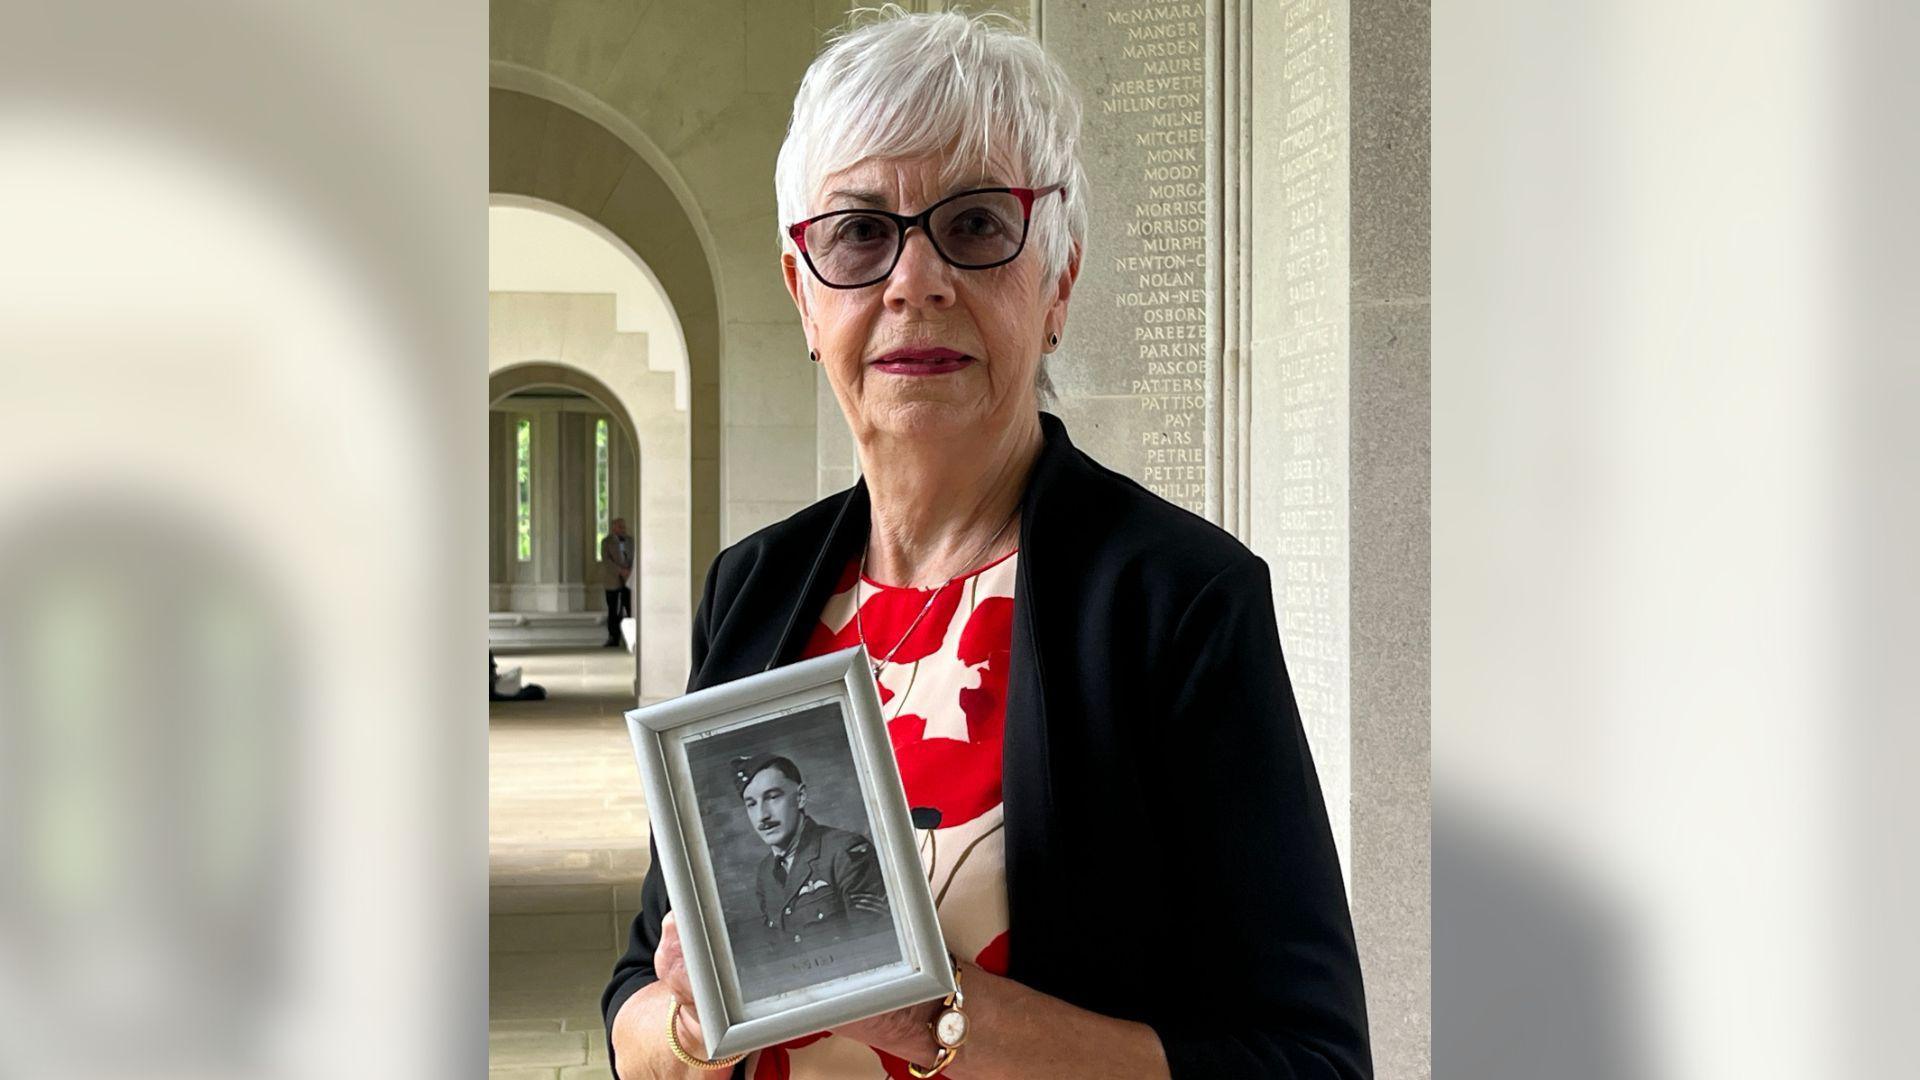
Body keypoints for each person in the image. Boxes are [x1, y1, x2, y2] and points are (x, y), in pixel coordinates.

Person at [604, 9, 1370, 1079]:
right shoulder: (757, 586)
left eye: (973, 226)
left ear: (1055, 284)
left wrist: (942, 1026)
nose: (914, 281)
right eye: (860, 234)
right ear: (803, 293)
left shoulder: (1176, 602)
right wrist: (693, 1026)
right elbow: (641, 979)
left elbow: (1311, 1059)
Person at [733, 754, 889, 951]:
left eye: (772, 797)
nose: (762, 816)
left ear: (800, 797)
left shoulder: (846, 852)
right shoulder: (765, 873)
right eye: (751, 804)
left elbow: (877, 943)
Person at [601, 517, 633, 648]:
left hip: (629, 579)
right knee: (613, 609)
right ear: (613, 528)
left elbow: (635, 556)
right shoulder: (606, 542)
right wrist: (620, 571)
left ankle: (631, 638)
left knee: (629, 608)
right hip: (612, 580)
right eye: (620, 527)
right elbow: (606, 561)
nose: (623, 529)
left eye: (623, 526)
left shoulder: (631, 541)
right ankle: (613, 637)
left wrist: (629, 571)